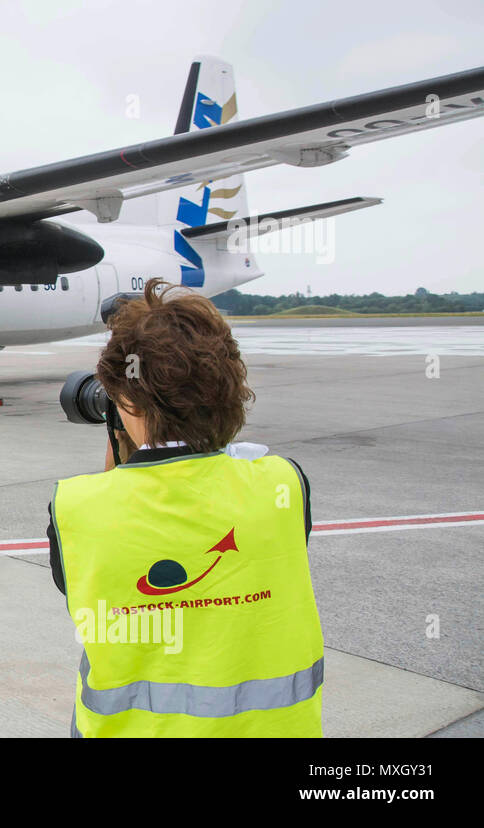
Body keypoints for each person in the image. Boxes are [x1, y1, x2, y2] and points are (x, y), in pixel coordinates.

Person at [47, 278, 323, 738]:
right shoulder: (285, 484)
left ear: (126, 402)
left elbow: (84, 584)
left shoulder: (76, 507)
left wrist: (120, 437)